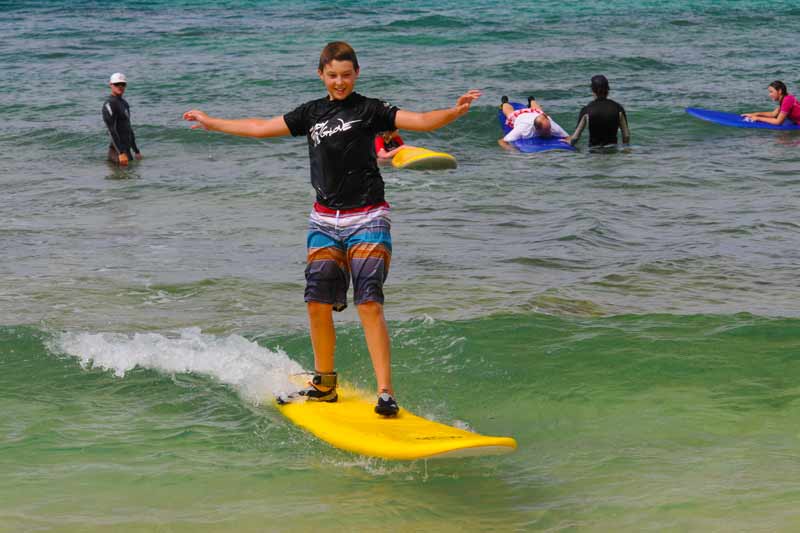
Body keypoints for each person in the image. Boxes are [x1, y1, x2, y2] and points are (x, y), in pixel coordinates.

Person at [183, 41, 481, 416]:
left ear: (356, 74)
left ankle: (386, 392)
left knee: (369, 301)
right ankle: (324, 385)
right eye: (332, 75)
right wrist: (212, 122)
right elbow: (260, 128)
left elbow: (420, 120)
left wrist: (453, 112)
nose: (339, 82)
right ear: (321, 75)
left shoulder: (370, 109)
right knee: (316, 303)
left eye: (346, 75)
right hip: (323, 219)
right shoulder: (311, 113)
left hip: (369, 216)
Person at [567, 75, 630, 147]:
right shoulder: (618, 108)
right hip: (612, 153)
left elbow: (575, 138)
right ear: (607, 90)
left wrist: (568, 142)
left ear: (593, 90)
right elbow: (626, 136)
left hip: (594, 154)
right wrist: (626, 152)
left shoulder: (587, 110)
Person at [498, 95, 569, 150]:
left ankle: (531, 100)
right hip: (520, 116)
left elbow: (568, 137)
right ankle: (505, 102)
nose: (549, 132)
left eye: (549, 129)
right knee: (509, 113)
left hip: (537, 114)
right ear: (537, 129)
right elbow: (502, 141)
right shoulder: (523, 129)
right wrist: (513, 151)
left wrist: (569, 142)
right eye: (546, 131)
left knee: (538, 110)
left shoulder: (551, 124)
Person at [102, 73, 142, 166]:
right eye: (117, 84)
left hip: (127, 152)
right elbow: (111, 130)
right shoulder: (109, 104)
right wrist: (120, 153)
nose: (120, 87)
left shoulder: (124, 103)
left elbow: (128, 128)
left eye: (123, 84)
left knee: (132, 179)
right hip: (117, 154)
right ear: (111, 85)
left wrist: (136, 150)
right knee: (120, 179)